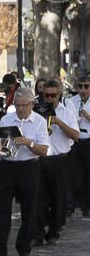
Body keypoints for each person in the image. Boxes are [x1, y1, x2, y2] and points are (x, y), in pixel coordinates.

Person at [0, 89, 49, 256]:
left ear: (32, 104)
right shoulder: (7, 119)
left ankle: (24, 248)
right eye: (17, 105)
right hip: (7, 167)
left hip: (29, 168)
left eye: (24, 105)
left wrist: (28, 143)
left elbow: (43, 150)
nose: (21, 109)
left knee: (29, 210)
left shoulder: (39, 121)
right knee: (2, 210)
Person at [37, 80, 78, 244]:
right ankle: (38, 233)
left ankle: (53, 232)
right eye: (46, 95)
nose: (49, 99)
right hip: (40, 158)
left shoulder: (66, 111)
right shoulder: (37, 111)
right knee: (39, 199)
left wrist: (58, 122)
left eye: (53, 95)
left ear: (59, 94)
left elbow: (76, 136)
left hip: (60, 160)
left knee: (58, 199)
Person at [72, 74, 90, 216]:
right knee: (76, 174)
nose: (83, 90)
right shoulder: (72, 101)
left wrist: (88, 116)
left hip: (88, 141)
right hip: (75, 141)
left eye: (86, 87)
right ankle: (77, 202)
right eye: (80, 87)